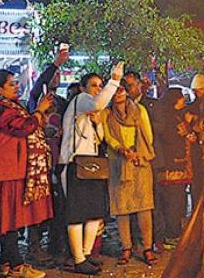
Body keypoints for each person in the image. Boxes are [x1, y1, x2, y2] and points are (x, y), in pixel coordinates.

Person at [0, 70, 54, 278]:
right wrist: (39, 111)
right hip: (3, 170)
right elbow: (23, 127)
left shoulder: (10, 107)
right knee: (9, 220)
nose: (17, 87)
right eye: (12, 84)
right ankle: (17, 265)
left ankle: (7, 263)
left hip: (12, 168)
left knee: (10, 219)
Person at [59, 63, 124, 275]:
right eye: (94, 85)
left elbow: (101, 137)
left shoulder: (92, 109)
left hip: (92, 165)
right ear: (82, 88)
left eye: (100, 85)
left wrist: (97, 122)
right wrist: (114, 81)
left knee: (94, 214)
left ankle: (85, 255)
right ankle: (78, 259)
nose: (98, 89)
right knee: (77, 214)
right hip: (75, 164)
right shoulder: (81, 100)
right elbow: (98, 104)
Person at [102, 83, 157, 266]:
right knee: (121, 208)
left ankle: (147, 247)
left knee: (144, 206)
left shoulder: (139, 109)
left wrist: (137, 153)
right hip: (118, 162)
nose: (118, 94)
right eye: (115, 90)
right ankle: (126, 247)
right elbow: (107, 136)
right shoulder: (107, 113)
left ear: (126, 92)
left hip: (139, 161)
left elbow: (148, 135)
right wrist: (121, 150)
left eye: (121, 90)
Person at [27, 48, 71, 261]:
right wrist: (55, 63)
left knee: (58, 204)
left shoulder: (61, 102)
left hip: (57, 159)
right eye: (53, 74)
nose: (56, 76)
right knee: (36, 204)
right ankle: (34, 246)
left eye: (58, 74)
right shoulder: (36, 99)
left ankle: (57, 245)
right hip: (38, 161)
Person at [152, 88, 194, 246]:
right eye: (181, 98)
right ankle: (171, 235)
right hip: (173, 166)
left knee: (175, 201)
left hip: (177, 166)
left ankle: (171, 233)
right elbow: (173, 137)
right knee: (172, 202)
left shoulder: (175, 115)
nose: (184, 100)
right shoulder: (170, 118)